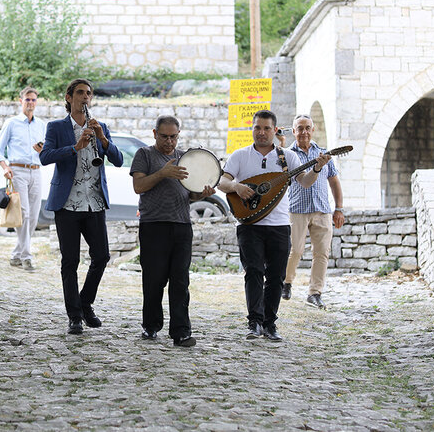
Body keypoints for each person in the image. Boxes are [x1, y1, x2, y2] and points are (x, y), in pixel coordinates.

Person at [217, 110, 331, 342]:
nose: (262, 132)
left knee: (277, 276)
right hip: (250, 224)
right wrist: (237, 187)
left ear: (274, 130)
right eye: (258, 128)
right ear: (253, 129)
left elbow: (306, 182)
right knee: (254, 272)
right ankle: (254, 322)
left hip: (279, 224)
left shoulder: (287, 158)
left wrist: (317, 169)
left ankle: (270, 324)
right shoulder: (240, 156)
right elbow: (222, 181)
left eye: (267, 128)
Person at [40, 78, 124, 335]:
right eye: (80, 93)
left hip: (94, 202)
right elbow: (45, 157)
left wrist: (103, 139)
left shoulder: (101, 126)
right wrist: (75, 147)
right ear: (68, 97)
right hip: (67, 203)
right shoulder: (56, 127)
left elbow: (118, 161)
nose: (85, 97)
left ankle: (85, 303)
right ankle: (74, 316)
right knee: (70, 261)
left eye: (88, 93)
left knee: (101, 256)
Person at [130, 115, 214, 348]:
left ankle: (181, 332)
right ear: (154, 133)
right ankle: (150, 326)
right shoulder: (144, 155)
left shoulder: (186, 158)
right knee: (153, 280)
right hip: (153, 225)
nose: (169, 141)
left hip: (181, 226)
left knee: (180, 281)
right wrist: (162, 173)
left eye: (173, 137)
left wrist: (202, 194)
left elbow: (191, 194)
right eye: (164, 136)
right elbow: (138, 186)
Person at [278, 114, 345, 309]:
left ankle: (315, 293)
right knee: (295, 250)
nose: (304, 132)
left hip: (322, 210)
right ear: (294, 131)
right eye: (300, 128)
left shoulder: (324, 154)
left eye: (307, 128)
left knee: (322, 253)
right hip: (297, 210)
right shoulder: (288, 155)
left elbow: (334, 181)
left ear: (312, 130)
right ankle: (287, 282)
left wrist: (339, 208)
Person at [0, 86, 46, 271]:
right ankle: (26, 256)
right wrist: (5, 168)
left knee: (33, 216)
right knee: (23, 213)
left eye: (33, 100)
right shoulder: (12, 123)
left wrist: (43, 149)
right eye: (27, 99)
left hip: (36, 170)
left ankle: (17, 254)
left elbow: (47, 149)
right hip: (17, 171)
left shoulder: (41, 124)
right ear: (20, 100)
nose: (31, 103)